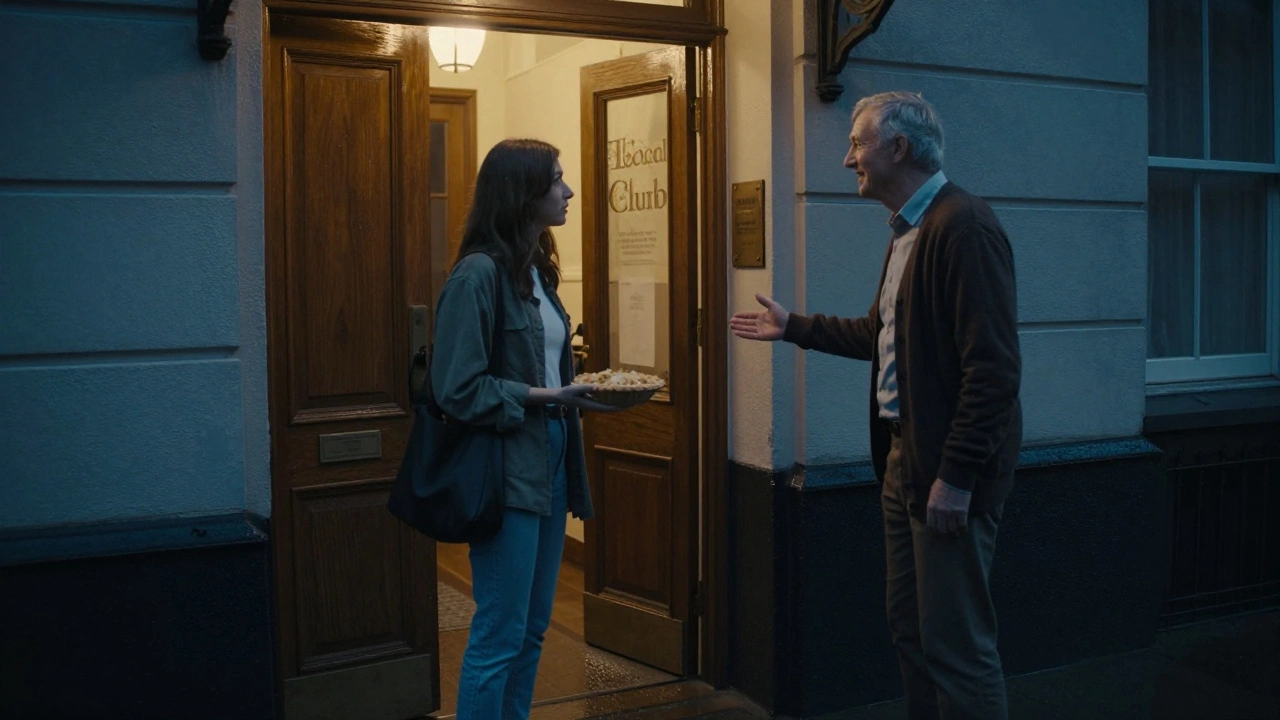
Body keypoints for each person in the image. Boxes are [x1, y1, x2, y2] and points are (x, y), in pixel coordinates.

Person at [731, 92, 1021, 720]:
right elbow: (881, 335)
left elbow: (993, 372)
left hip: (944, 472)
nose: (846, 159)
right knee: (912, 632)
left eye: (857, 143)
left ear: (899, 147)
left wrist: (957, 477)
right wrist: (796, 327)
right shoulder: (909, 233)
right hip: (903, 463)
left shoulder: (962, 226)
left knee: (956, 647)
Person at [431, 138, 619, 720]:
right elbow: (455, 388)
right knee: (499, 633)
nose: (567, 191)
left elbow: (541, 365)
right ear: (523, 192)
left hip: (554, 458)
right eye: (556, 180)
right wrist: (547, 395)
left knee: (534, 629)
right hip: (508, 466)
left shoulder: (539, 272)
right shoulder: (477, 276)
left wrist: (581, 390)